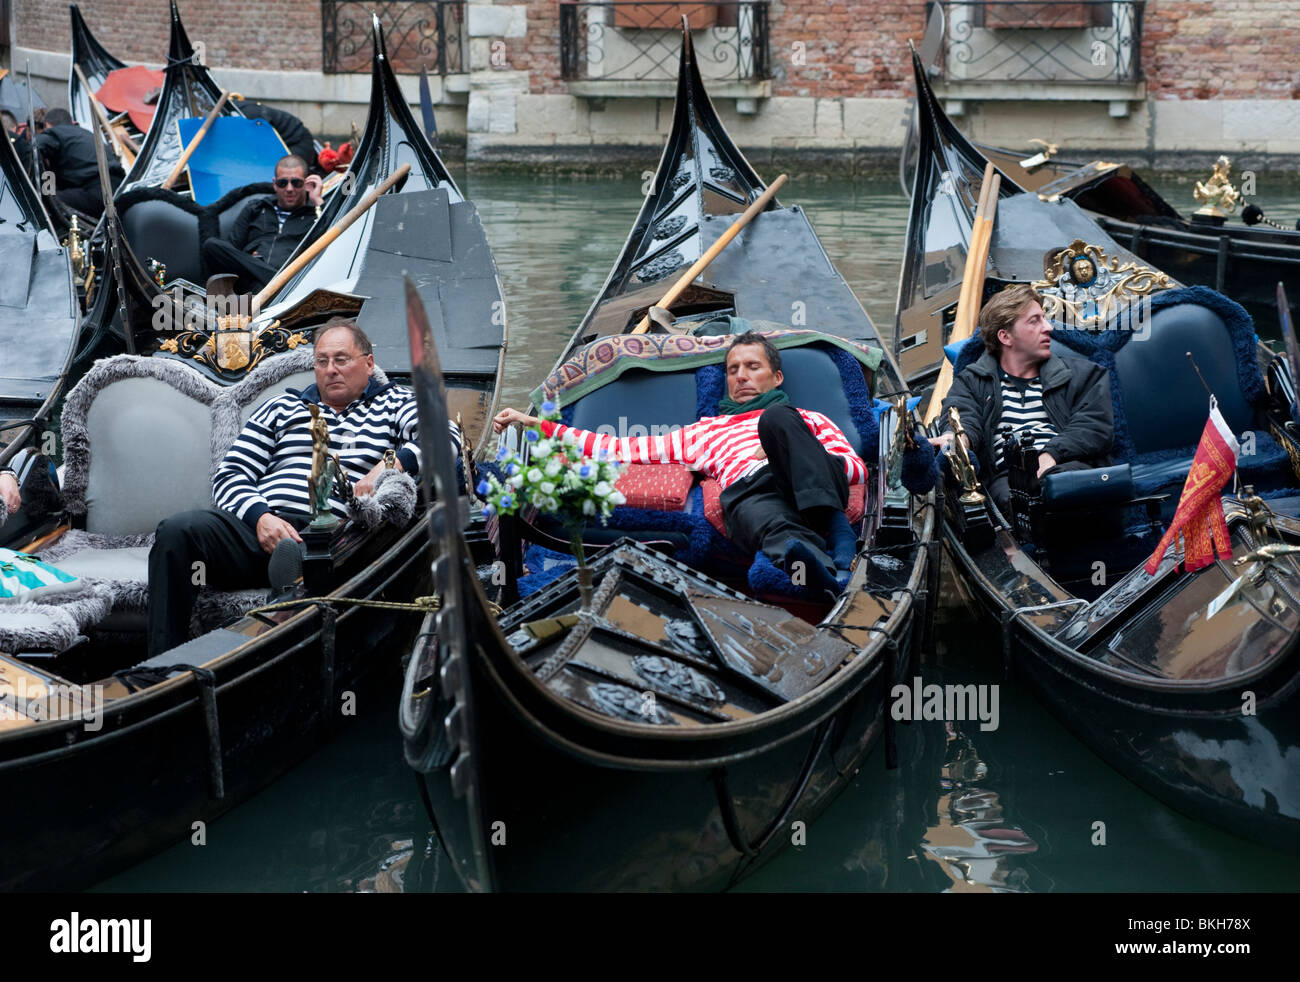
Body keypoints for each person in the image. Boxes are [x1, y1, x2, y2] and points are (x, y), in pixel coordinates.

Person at [145, 318, 457, 656]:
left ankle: (287, 614)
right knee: (178, 532)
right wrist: (261, 518)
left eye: (341, 359)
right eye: (322, 361)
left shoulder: (394, 402)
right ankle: (164, 664)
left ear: (368, 363)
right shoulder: (283, 406)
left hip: (339, 538)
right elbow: (230, 473)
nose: (331, 370)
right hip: (261, 531)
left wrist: (388, 465)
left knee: (316, 553)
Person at [492, 331, 866, 595]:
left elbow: (854, 467)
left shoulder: (806, 417)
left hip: (814, 476)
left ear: (776, 376)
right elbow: (616, 448)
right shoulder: (704, 433)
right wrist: (536, 425)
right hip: (751, 491)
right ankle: (814, 571)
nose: (741, 376)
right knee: (767, 523)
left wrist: (785, 453)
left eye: (753, 367)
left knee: (776, 420)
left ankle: (840, 539)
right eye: (733, 370)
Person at [929, 284, 1114, 515]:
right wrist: (955, 439)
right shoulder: (972, 381)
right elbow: (963, 417)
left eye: (1044, 319)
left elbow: (1094, 426)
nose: (1048, 328)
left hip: (1068, 467)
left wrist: (1050, 455)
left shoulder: (1084, 374)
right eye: (1034, 321)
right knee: (1015, 498)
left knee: (1065, 487)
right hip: (1008, 479)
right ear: (1005, 336)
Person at [200, 154, 322, 293]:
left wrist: (317, 201)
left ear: (305, 184)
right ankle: (277, 282)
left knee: (261, 286)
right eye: (283, 183)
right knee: (212, 245)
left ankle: (278, 283)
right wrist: (254, 263)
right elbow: (232, 249)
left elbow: (330, 243)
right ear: (275, 184)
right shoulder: (256, 208)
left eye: (296, 183)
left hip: (292, 282)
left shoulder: (314, 214)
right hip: (249, 279)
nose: (289, 188)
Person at [33, 108, 104, 218]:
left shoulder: (55, 133)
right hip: (115, 190)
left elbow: (34, 147)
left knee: (46, 202)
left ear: (47, 125)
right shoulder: (87, 134)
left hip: (94, 192)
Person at [238, 101, 324, 176]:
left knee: (284, 174)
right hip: (277, 144)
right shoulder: (234, 110)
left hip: (297, 140)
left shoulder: (247, 114)